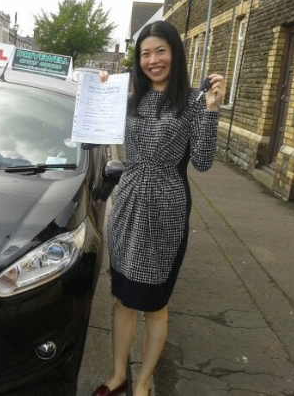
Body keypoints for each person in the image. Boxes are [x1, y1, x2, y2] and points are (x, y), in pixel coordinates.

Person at [93, 20, 225, 396]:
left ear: (175, 53)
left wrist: (212, 110)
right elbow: (96, 135)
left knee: (154, 303)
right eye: (145, 53)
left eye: (160, 51)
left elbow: (201, 161)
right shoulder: (130, 95)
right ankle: (119, 375)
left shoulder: (193, 102)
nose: (153, 60)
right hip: (128, 200)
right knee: (123, 299)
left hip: (166, 207)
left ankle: (145, 381)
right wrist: (97, 94)